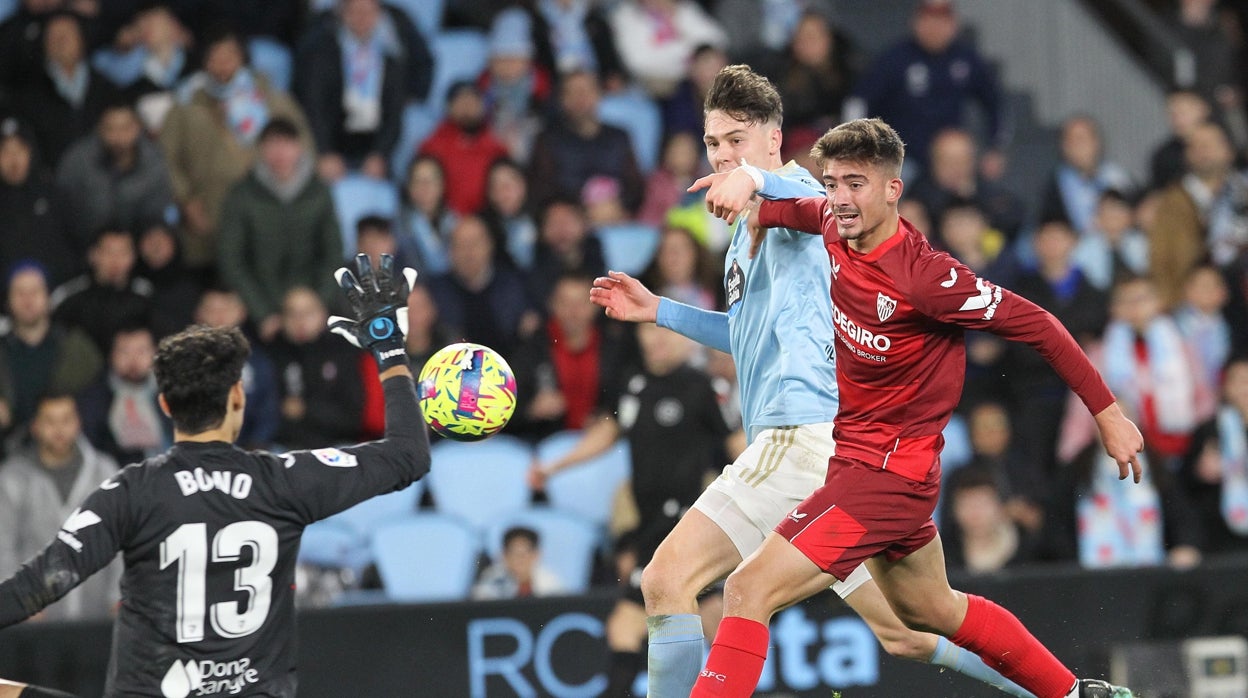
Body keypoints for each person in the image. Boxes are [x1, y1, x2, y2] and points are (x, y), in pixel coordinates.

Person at [589, 66, 1036, 698]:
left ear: (773, 140)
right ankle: (1065, 692)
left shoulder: (798, 196)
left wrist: (754, 178)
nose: (722, 156)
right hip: (823, 454)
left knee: (667, 580)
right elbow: (745, 336)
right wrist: (659, 309)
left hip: (804, 437)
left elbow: (824, 200)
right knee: (904, 631)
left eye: (737, 141)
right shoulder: (743, 238)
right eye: (714, 143)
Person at [688, 117, 1143, 698]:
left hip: (886, 477)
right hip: (864, 464)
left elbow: (1042, 327)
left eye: (855, 183)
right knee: (931, 611)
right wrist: (753, 209)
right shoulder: (833, 224)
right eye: (831, 183)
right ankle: (1077, 695)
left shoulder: (929, 280)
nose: (841, 198)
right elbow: (790, 210)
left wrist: (1107, 413)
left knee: (747, 590)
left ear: (892, 189)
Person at [0, 253, 430, 697]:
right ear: (238, 397)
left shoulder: (129, 491)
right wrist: (390, 348)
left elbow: (39, 585)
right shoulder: (285, 480)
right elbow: (408, 455)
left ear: (165, 405)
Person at [530, 322, 731, 696]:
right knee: (701, 619)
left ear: (685, 340)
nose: (656, 340)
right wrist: (555, 466)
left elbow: (735, 443)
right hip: (651, 526)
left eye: (667, 332)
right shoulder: (633, 383)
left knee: (642, 623)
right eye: (649, 332)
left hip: (686, 522)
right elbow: (608, 431)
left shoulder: (699, 387)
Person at [216, 116, 343, 343]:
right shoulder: (242, 195)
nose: (280, 153)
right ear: (261, 150)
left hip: (313, 305)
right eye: (273, 145)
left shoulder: (319, 193)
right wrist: (262, 312)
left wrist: (318, 304)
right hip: (259, 310)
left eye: (286, 144)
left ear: (299, 148)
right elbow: (231, 258)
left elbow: (333, 252)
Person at [0, 394, 121, 622]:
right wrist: (17, 602)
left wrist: (118, 596)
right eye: (50, 421)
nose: (59, 429)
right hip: (34, 621)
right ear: (35, 426)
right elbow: (3, 547)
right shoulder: (12, 478)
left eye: (66, 420)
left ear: (78, 422)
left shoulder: (105, 472)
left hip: (97, 616)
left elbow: (121, 540)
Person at [471, 525, 567, 600]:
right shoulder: (491, 580)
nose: (520, 560)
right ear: (503, 556)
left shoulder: (551, 584)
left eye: (525, 553)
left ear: (537, 555)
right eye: (514, 553)